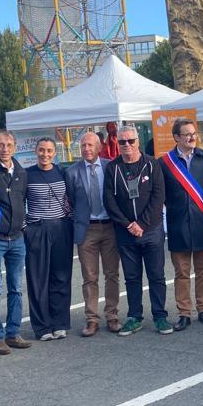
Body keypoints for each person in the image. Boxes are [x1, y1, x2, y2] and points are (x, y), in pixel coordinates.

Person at [103, 125, 172, 335]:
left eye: (130, 141)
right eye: (122, 142)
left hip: (151, 229)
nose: (127, 145)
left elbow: (158, 196)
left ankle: (160, 316)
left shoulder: (152, 164)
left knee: (156, 275)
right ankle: (134, 316)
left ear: (138, 142)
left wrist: (141, 224)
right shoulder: (112, 168)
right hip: (125, 233)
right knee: (132, 277)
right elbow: (109, 200)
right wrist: (127, 224)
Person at [160, 119, 203, 331]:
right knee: (181, 272)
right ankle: (184, 312)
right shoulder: (164, 163)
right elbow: (162, 194)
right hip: (178, 224)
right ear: (176, 137)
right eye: (187, 134)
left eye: (194, 133)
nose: (192, 137)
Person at [66, 131, 121, 336]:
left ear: (99, 147)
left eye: (90, 145)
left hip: (110, 228)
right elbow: (71, 200)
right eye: (83, 146)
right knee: (89, 277)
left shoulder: (111, 167)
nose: (87, 149)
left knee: (112, 274)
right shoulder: (72, 172)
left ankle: (112, 316)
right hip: (86, 228)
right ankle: (91, 319)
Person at [0, 129, 32, 355]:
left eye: (9, 145)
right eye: (1, 145)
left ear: (15, 147)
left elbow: (23, 200)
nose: (5, 149)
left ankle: (13, 333)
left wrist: (23, 226)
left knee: (15, 288)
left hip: (17, 238)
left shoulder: (20, 172)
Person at [23, 138, 74, 341]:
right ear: (36, 152)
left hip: (61, 227)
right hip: (37, 229)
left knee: (61, 277)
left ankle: (60, 323)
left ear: (55, 152)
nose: (45, 154)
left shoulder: (62, 173)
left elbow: (70, 198)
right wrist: (26, 228)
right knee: (38, 279)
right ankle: (42, 327)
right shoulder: (27, 175)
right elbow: (19, 203)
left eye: (49, 151)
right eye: (42, 150)